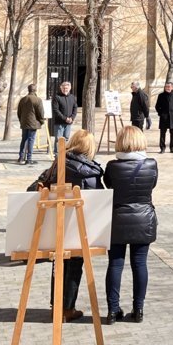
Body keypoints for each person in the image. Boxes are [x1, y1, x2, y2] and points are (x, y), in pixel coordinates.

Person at [33, 129, 104, 322]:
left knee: (59, 264)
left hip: (54, 222)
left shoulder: (58, 164)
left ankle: (55, 306)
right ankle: (68, 307)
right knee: (75, 264)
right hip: (78, 225)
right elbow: (98, 199)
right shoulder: (92, 172)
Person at [103, 125, 158, 323]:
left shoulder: (112, 166)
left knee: (115, 264)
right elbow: (152, 185)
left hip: (117, 219)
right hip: (144, 219)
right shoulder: (151, 165)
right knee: (140, 263)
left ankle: (112, 310)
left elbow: (108, 185)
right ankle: (139, 309)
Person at [16, 84, 45, 165]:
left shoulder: (23, 99)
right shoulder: (37, 100)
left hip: (24, 122)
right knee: (31, 140)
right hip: (33, 123)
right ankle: (29, 159)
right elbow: (41, 113)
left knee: (24, 139)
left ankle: (21, 157)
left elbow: (19, 112)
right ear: (35, 90)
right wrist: (42, 121)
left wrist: (21, 120)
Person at [154, 82, 173, 153]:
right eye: (166, 87)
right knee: (162, 133)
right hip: (164, 117)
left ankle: (172, 148)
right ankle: (162, 148)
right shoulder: (161, 95)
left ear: (172, 87)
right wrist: (160, 113)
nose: (168, 88)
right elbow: (157, 106)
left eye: (169, 87)